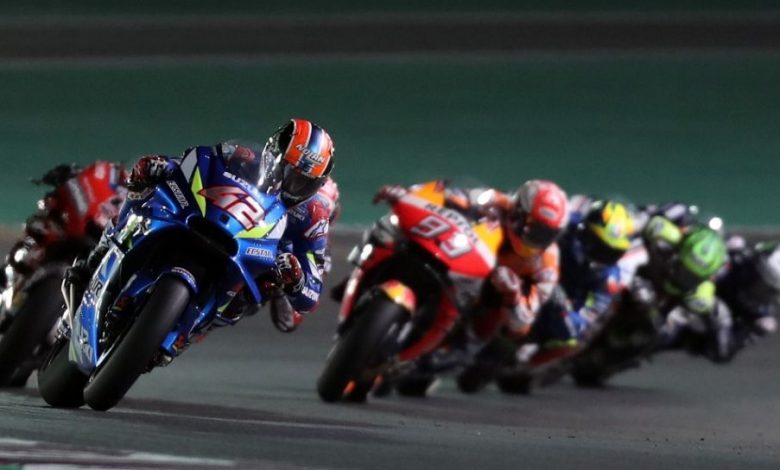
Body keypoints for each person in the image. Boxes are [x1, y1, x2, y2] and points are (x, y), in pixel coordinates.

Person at [67, 118, 336, 333]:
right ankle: (96, 260)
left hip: (252, 261)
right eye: (288, 172)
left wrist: (297, 280)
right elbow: (197, 161)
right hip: (212, 222)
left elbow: (311, 291)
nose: (292, 186)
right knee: (146, 188)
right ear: (273, 154)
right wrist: (165, 165)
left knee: (251, 297)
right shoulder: (243, 157)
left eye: (304, 183)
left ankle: (183, 333)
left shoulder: (314, 216)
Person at [375, 179, 570, 393]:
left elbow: (523, 323)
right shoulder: (494, 200)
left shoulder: (548, 262)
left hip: (487, 294)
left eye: (546, 235)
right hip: (459, 259)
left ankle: (465, 348)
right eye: (535, 230)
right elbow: (447, 196)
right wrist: (408, 193)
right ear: (519, 213)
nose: (538, 240)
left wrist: (513, 293)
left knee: (501, 317)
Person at [640, 217, 732, 362]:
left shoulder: (703, 295)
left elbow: (716, 315)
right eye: (683, 268)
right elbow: (645, 223)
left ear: (707, 277)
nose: (684, 276)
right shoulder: (669, 233)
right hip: (650, 275)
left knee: (666, 332)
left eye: (692, 276)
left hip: (669, 303)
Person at [715, 237, 779, 352]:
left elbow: (723, 350)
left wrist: (755, 329)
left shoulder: (761, 312)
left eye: (764, 286)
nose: (757, 285)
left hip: (731, 313)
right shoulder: (739, 257)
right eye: (757, 276)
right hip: (714, 287)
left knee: (767, 324)